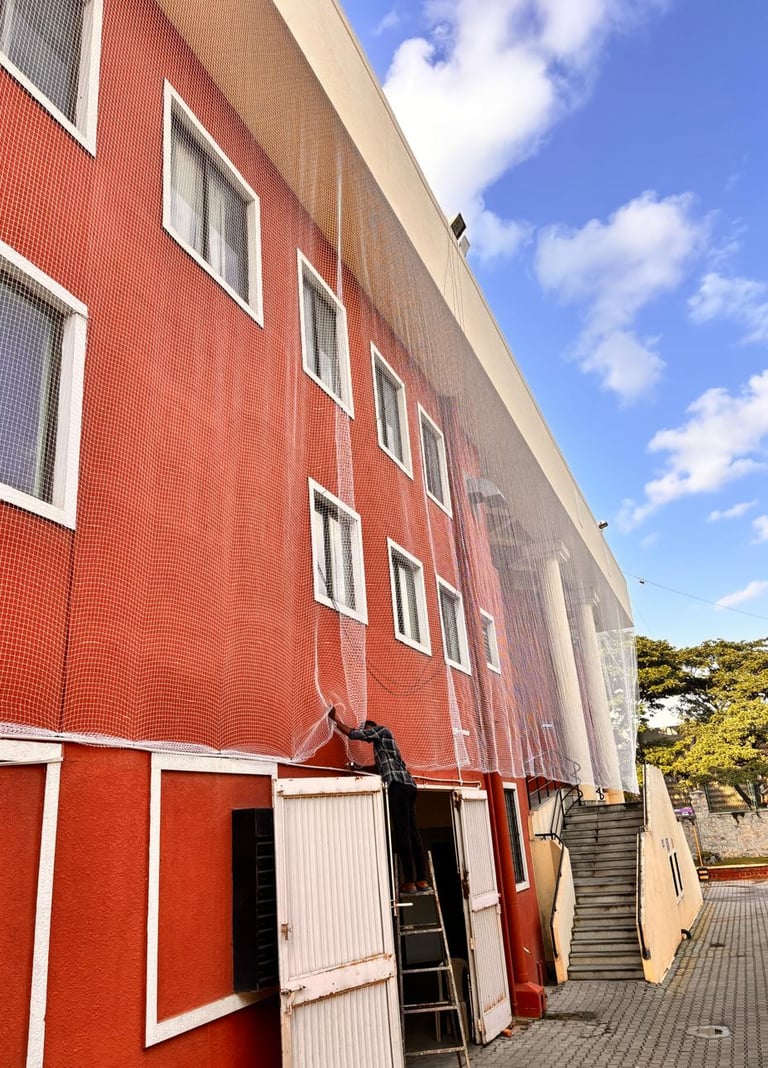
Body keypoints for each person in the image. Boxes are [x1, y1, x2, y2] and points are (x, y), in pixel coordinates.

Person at [328, 707, 429, 894]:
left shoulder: (382, 731)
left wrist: (335, 720)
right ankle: (422, 880)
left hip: (398, 786)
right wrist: (358, 767)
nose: (365, 733)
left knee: (403, 833)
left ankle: (410, 881)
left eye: (366, 729)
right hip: (408, 786)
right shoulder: (384, 748)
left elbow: (354, 734)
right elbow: (380, 768)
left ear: (372, 728)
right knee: (413, 833)